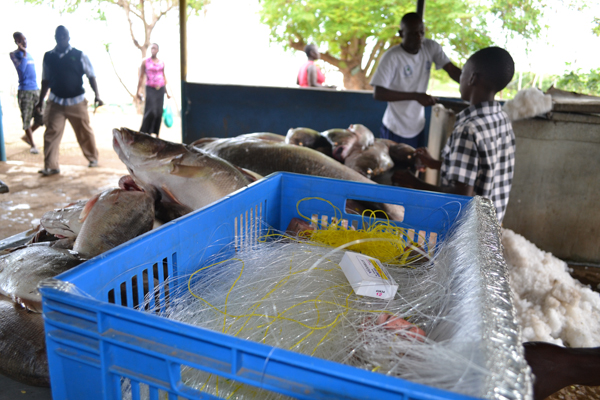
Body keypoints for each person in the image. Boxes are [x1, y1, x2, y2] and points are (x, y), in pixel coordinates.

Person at [392, 46, 515, 223]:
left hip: (468, 233)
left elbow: (460, 197)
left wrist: (415, 184)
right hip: (490, 227)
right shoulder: (501, 119)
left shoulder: (468, 129)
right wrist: (435, 164)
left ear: (472, 78)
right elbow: (478, 170)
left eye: (463, 72)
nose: (460, 78)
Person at [370, 13, 462, 148]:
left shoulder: (430, 48)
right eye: (413, 33)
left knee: (415, 166)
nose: (419, 37)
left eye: (421, 32)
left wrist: (472, 85)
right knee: (395, 167)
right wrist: (415, 96)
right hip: (395, 128)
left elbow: (452, 70)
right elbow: (378, 93)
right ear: (401, 33)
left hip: (417, 126)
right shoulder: (392, 57)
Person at [35, 26, 102, 176]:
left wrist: (97, 95)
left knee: (84, 131)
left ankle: (93, 158)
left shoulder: (79, 55)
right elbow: (45, 80)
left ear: (68, 37)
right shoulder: (48, 56)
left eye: (64, 35)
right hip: (55, 102)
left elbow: (91, 75)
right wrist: (40, 101)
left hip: (76, 101)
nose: (61, 38)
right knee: (51, 133)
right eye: (58, 35)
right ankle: (51, 166)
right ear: (55, 37)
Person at [10, 32, 43, 154]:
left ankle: (26, 137)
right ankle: (33, 145)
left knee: (42, 118)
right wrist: (23, 53)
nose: (24, 42)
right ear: (17, 42)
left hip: (36, 90)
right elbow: (21, 70)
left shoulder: (29, 55)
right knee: (26, 119)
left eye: (25, 39)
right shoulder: (15, 54)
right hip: (25, 91)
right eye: (21, 40)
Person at [137, 43, 170, 137]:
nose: (153, 50)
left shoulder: (161, 62)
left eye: (155, 48)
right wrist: (138, 91)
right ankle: (144, 133)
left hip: (160, 89)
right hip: (150, 88)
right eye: (151, 48)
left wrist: (167, 92)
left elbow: (164, 76)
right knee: (151, 111)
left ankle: (156, 133)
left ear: (158, 50)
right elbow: (141, 77)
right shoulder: (145, 62)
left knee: (159, 112)